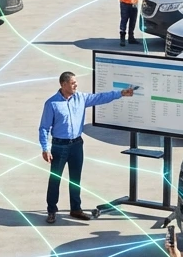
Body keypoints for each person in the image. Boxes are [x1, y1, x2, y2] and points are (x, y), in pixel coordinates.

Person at [38, 71, 134, 224]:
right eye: (72, 83)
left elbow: (100, 98)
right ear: (63, 84)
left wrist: (121, 93)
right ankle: (51, 210)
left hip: (76, 145)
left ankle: (76, 209)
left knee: (75, 179)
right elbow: (44, 128)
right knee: (55, 180)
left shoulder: (81, 98)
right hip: (59, 146)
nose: (76, 85)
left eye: (76, 82)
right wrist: (45, 148)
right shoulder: (52, 103)